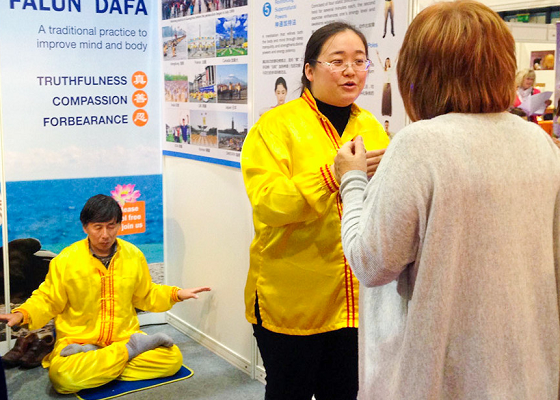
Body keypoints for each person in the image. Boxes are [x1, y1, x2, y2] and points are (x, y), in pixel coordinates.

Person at [334, 1, 560, 399]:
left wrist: (352, 180)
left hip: (439, 375)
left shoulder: (421, 144)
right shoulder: (539, 143)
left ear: (419, 71)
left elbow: (370, 262)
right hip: (525, 369)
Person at [241, 22, 389, 400]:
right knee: (289, 392)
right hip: (292, 302)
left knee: (343, 392)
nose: (351, 70)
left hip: (355, 300)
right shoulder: (274, 127)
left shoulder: (371, 125)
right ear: (309, 70)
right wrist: (330, 176)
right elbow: (269, 203)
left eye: (359, 61)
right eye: (337, 61)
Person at [0, 195, 210, 394]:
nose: (105, 235)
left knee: (172, 359)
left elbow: (146, 294)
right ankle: (128, 352)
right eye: (97, 227)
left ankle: (101, 363)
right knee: (62, 378)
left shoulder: (134, 256)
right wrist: (22, 314)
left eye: (111, 226)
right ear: (85, 227)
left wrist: (177, 294)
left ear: (119, 225)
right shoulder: (66, 260)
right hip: (80, 341)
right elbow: (48, 298)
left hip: (122, 337)